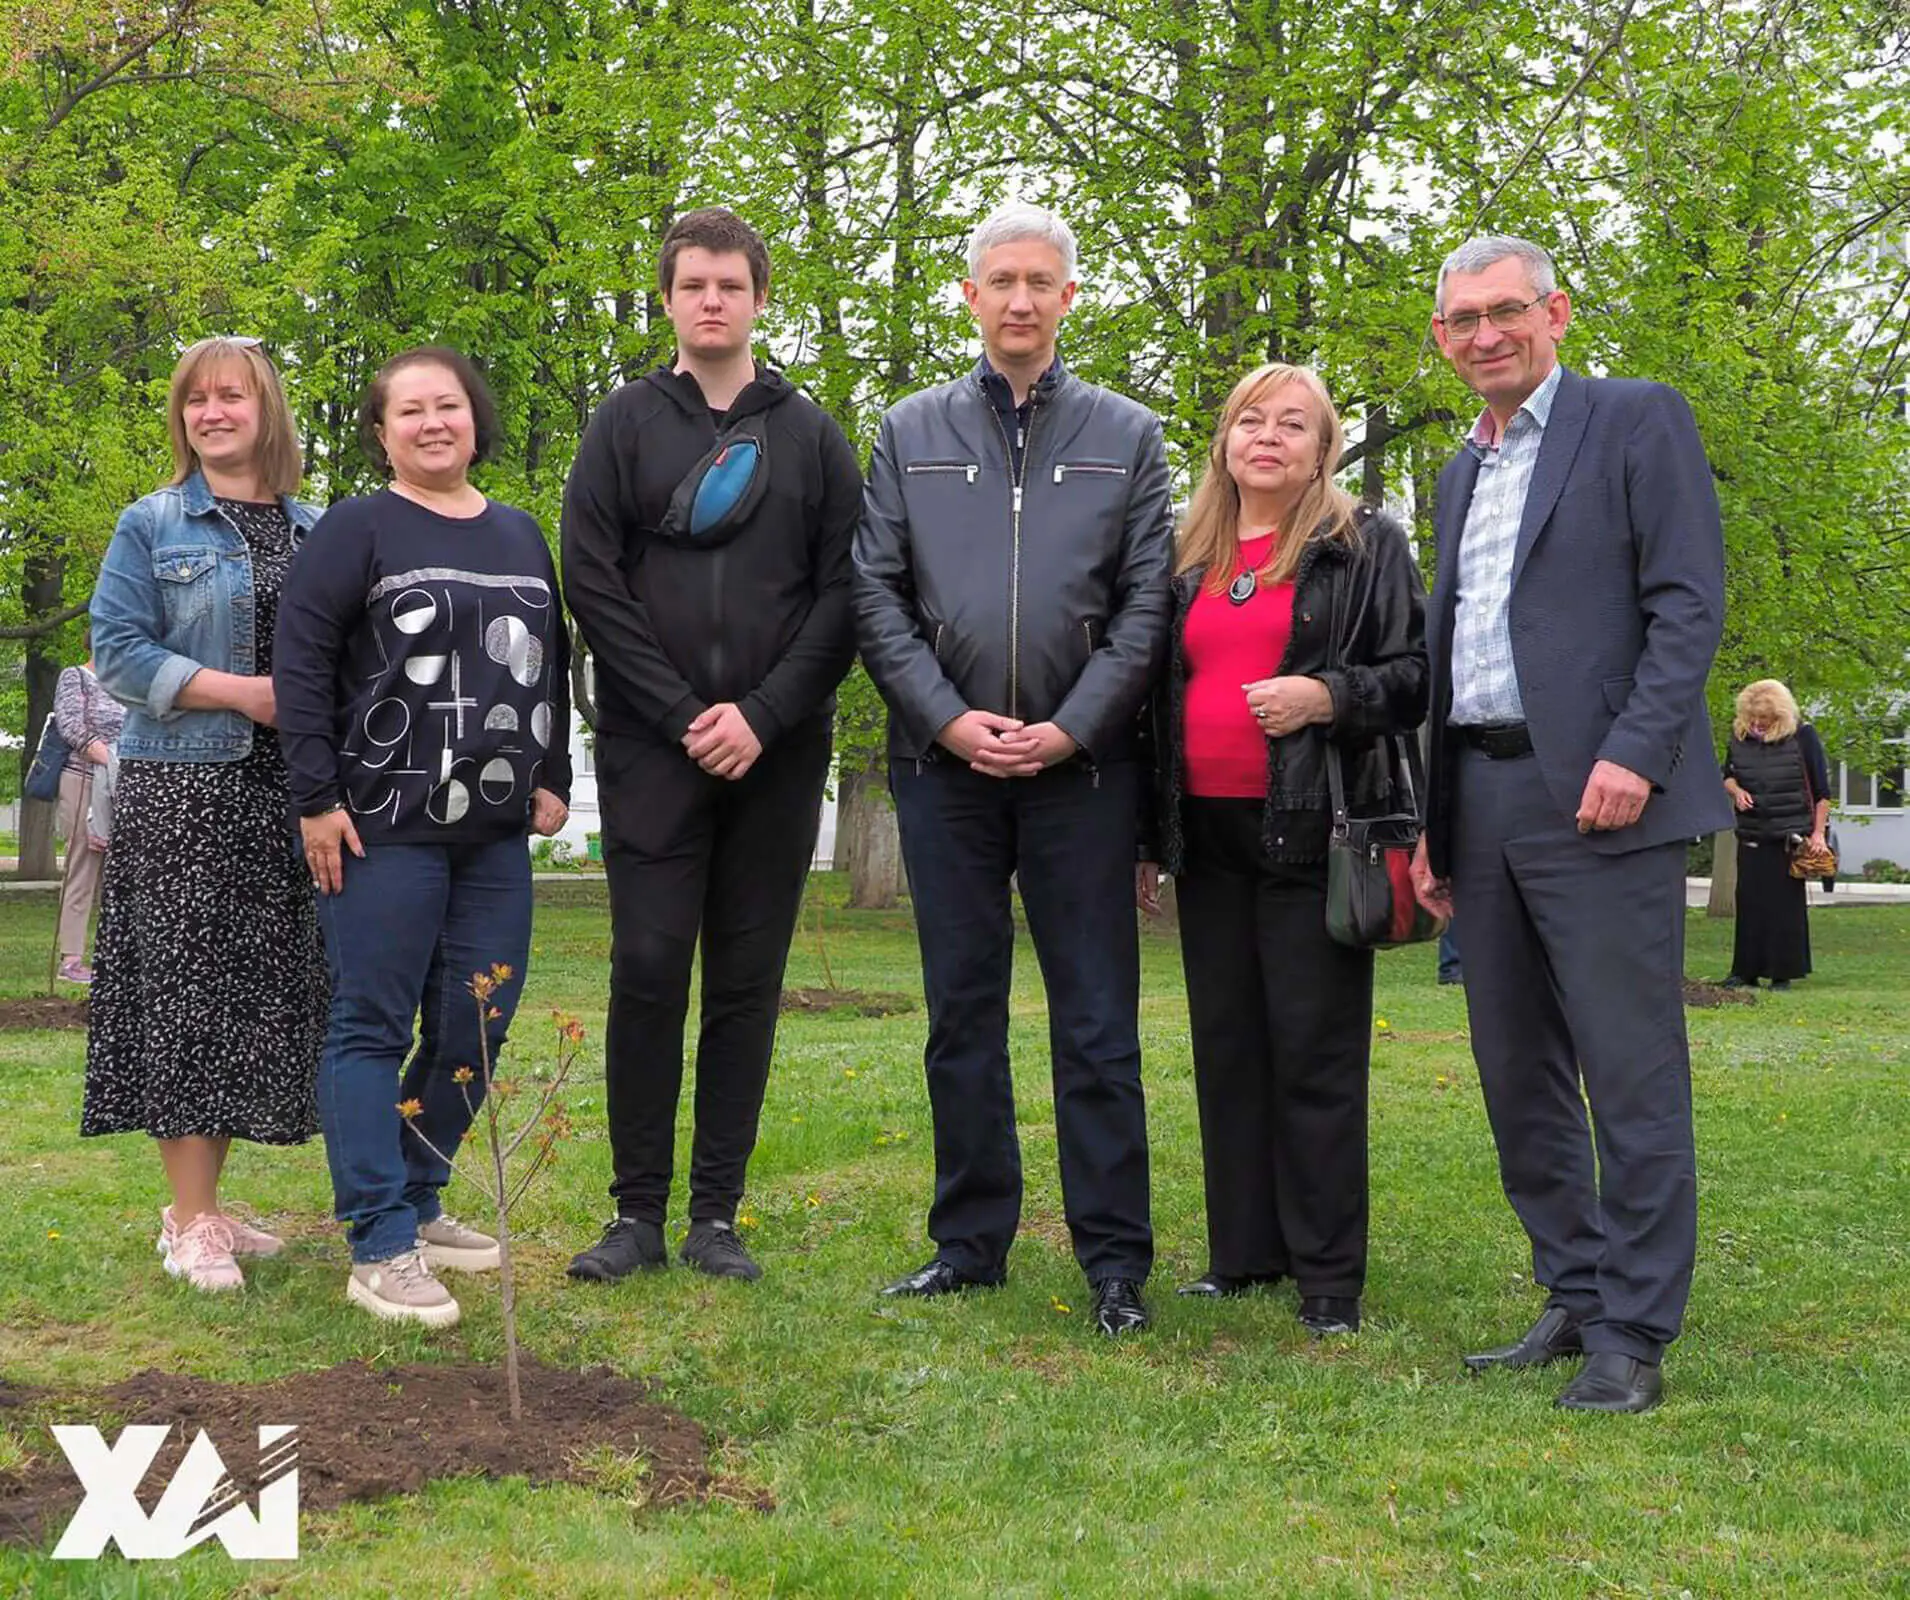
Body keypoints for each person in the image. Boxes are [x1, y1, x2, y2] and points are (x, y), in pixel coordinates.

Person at [1411, 236, 1732, 1412]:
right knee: (1516, 1071)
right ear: (1441, 338)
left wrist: (1634, 752)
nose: (1484, 334)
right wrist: (1434, 817)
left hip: (1600, 797)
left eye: (1505, 310)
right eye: (1461, 320)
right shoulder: (1459, 471)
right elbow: (1456, 651)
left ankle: (1633, 1334)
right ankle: (1575, 1290)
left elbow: (1685, 601)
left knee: (1627, 1070)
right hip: (1479, 792)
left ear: (1553, 314)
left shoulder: (1634, 420)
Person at [855, 202, 1173, 1336]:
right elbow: (875, 595)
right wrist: (947, 722)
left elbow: (1147, 605)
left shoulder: (1128, 434)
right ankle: (968, 1242)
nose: (1021, 300)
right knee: (961, 1014)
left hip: (1082, 776)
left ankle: (1115, 1263)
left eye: (1041, 281)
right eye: (1002, 281)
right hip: (945, 772)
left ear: (1068, 297)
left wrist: (1073, 727)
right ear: (971, 296)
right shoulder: (909, 430)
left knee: (1097, 1024)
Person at [560, 208, 860, 1285]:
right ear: (669, 299)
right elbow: (590, 579)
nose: (713, 301)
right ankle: (635, 1213)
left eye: (731, 285)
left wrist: (763, 715)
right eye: (693, 285)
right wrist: (684, 711)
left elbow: (846, 592)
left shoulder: (813, 436)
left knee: (745, 978)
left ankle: (714, 1215)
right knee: (647, 968)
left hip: (777, 752)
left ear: (759, 299)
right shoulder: (623, 424)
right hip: (653, 748)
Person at [275, 346, 572, 1330]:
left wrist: (555, 773)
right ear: (381, 432)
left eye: (448, 405)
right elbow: (302, 663)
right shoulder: (357, 528)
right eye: (410, 410)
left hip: (492, 830)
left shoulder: (519, 532)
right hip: (379, 826)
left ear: (475, 420)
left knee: (477, 1022)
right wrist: (315, 797)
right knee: (372, 1023)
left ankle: (419, 1191)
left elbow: (550, 661)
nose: (433, 422)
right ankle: (377, 1240)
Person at [1137, 364, 1427, 1338]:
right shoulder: (1185, 554)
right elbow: (1153, 701)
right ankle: (1243, 1254)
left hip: (1312, 832)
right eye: (1250, 420)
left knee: (1313, 1053)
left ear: (1323, 449)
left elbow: (1414, 677)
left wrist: (1326, 696)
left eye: (1292, 424)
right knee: (1228, 1050)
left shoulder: (1363, 546)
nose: (1267, 436)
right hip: (1207, 835)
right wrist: (1150, 836)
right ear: (1224, 441)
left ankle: (1328, 1279)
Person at [85, 336, 330, 1292]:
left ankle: (207, 1209)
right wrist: (243, 694)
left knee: (249, 1001)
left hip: (290, 793)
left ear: (267, 410)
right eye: (197, 400)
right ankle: (189, 1222)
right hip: (185, 789)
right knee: (186, 996)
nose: (213, 413)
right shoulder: (151, 523)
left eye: (231, 396)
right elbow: (118, 654)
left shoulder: (317, 529)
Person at [1720, 679, 1829, 991]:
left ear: (1779, 715)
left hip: (1789, 836)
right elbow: (1727, 775)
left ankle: (1782, 973)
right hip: (1752, 831)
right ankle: (1745, 971)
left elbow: (1822, 792)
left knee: (1784, 906)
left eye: (1764, 719)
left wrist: (1818, 834)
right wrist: (1736, 791)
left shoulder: (1803, 736)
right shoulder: (1740, 737)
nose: (1758, 724)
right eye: (1753, 717)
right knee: (1749, 902)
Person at [51, 642, 124, 984]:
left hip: (122, 785)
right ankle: (71, 959)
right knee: (82, 865)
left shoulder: (128, 684)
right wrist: (111, 760)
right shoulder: (75, 677)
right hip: (82, 780)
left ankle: (116, 957)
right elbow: (71, 727)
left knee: (120, 872)